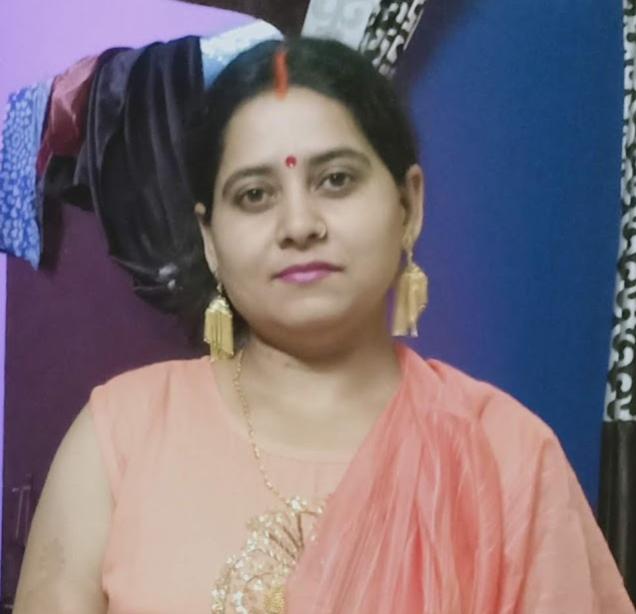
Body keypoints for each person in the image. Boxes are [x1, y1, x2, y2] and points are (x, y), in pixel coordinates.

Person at [12, 37, 635, 614]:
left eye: (335, 180)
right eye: (255, 194)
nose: (299, 225)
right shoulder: (118, 441)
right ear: (210, 239)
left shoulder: (506, 457)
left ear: (408, 206)